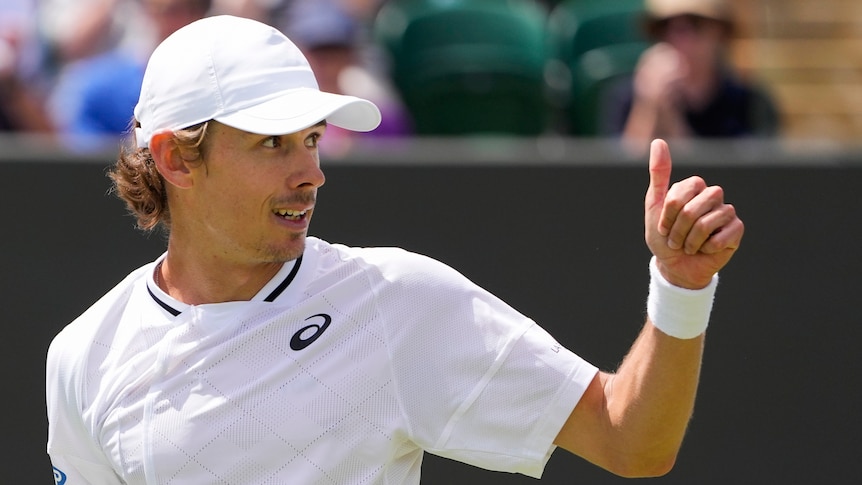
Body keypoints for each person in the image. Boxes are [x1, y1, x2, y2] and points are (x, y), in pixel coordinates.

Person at [46, 15, 744, 484]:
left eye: (313, 139)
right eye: (272, 143)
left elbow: (632, 439)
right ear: (174, 158)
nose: (311, 172)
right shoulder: (83, 356)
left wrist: (680, 288)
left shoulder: (397, 300)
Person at [601, 0, 780, 149]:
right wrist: (649, 106)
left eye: (695, 23)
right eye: (666, 25)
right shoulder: (625, 96)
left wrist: (671, 118)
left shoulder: (750, 103)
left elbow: (734, 178)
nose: (680, 37)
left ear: (720, 32)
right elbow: (621, 176)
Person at [47, 0, 211, 152]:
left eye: (195, 9)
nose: (183, 21)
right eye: (172, 11)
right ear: (149, 12)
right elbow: (83, 160)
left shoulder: (217, 88)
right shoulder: (97, 89)